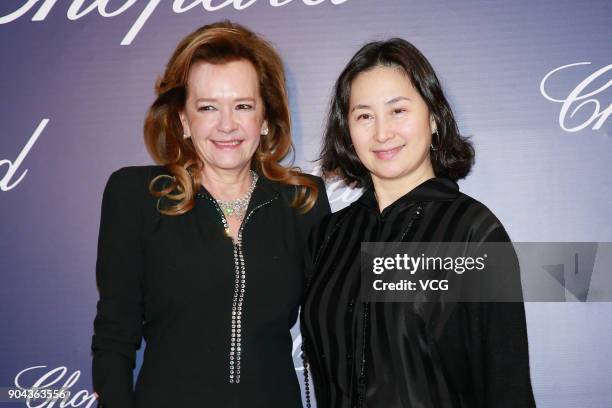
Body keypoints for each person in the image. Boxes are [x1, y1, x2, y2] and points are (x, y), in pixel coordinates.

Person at [91, 21, 330, 408]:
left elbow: (339, 324)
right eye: (207, 108)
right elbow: (114, 337)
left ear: (265, 119)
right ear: (184, 121)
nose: (226, 125)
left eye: (243, 106)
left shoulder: (303, 201)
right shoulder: (135, 196)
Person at [300, 39, 535, 407]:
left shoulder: (472, 232)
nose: (381, 132)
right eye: (364, 115)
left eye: (398, 111)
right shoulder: (328, 237)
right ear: (347, 131)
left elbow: (506, 386)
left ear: (434, 118)